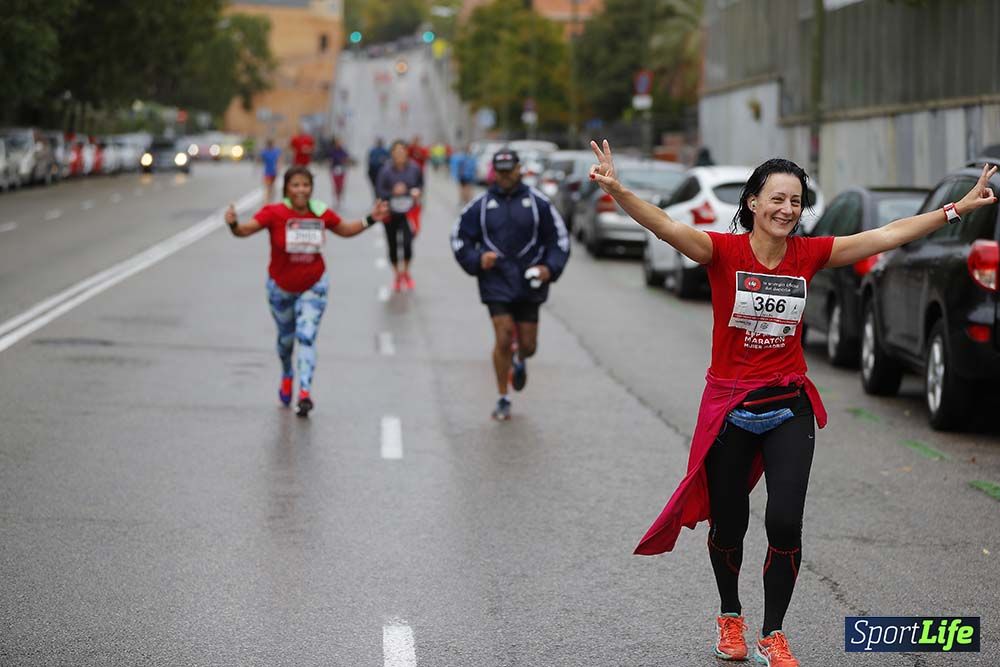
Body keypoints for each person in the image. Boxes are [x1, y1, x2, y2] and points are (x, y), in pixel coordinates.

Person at [588, 139, 998, 666]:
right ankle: (730, 616)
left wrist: (955, 209)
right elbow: (666, 226)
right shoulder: (722, 251)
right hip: (731, 408)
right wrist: (618, 191)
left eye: (796, 201)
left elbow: (887, 234)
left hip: (789, 404)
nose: (787, 210)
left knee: (784, 522)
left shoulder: (809, 254)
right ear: (754, 203)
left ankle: (773, 632)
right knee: (730, 522)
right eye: (777, 199)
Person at [224, 166, 389, 417]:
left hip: (314, 285)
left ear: (311, 188)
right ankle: (287, 374)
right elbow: (244, 231)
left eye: (305, 185)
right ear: (287, 189)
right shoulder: (274, 212)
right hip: (280, 287)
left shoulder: (319, 211)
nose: (301, 190)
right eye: (296, 185)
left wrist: (371, 218)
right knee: (286, 341)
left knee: (307, 335)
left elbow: (344, 230)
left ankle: (304, 392)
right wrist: (234, 223)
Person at [450, 149, 571, 421]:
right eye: (500, 171)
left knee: (528, 345)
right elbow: (459, 238)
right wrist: (478, 259)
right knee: (503, 337)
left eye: (509, 170)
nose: (505, 176)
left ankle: (521, 358)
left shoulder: (539, 203)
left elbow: (559, 241)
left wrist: (548, 268)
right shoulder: (479, 206)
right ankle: (503, 397)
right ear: (494, 172)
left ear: (519, 169)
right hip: (496, 280)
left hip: (530, 281)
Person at [376, 140, 424, 292]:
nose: (399, 154)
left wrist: (413, 191)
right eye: (396, 152)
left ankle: (406, 272)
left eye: (402, 151)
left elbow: (421, 185)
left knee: (408, 244)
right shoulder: (385, 171)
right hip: (390, 212)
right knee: (393, 245)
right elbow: (379, 191)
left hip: (408, 213)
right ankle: (397, 275)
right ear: (392, 154)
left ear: (406, 152)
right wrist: (392, 192)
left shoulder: (414, 169)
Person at [328, 137, 351, 207]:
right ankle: (336, 198)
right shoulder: (332, 151)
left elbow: (347, 158)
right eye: (338, 142)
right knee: (336, 185)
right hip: (334, 169)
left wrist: (345, 161)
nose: (339, 144)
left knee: (341, 185)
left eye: (340, 142)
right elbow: (330, 160)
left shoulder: (343, 150)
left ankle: (340, 197)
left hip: (342, 169)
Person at [259, 139, 282, 203]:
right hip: (269, 172)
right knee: (269, 186)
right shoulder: (268, 152)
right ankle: (268, 200)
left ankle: (268, 200)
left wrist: (278, 168)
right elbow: (279, 161)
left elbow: (279, 160)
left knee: (271, 186)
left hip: (271, 172)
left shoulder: (268, 152)